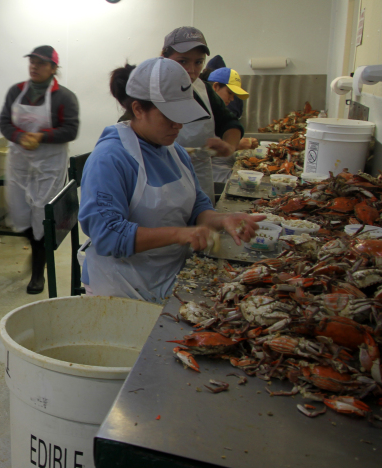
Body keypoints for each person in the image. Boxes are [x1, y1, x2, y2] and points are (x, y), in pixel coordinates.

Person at [79, 58, 262, 303]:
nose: (178, 125)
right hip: (122, 288)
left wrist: (222, 220)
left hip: (169, 277)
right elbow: (108, 235)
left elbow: (198, 207)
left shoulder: (174, 151)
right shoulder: (110, 159)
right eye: (169, 116)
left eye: (182, 115)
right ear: (138, 109)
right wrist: (180, 234)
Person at [0, 45, 79, 295]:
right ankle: (36, 249)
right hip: (20, 163)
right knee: (20, 215)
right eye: (32, 61)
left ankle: (38, 273)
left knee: (42, 217)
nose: (34, 66)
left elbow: (71, 130)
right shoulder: (16, 92)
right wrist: (20, 136)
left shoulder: (64, 97)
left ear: (53, 68)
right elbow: (4, 122)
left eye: (41, 63)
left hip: (49, 165)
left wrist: (41, 136)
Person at [158, 28, 245, 201]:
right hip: (161, 180)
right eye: (182, 61)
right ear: (164, 58)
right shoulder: (152, 89)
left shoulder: (203, 89)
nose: (191, 70)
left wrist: (229, 145)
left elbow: (230, 122)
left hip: (199, 178)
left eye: (198, 62)